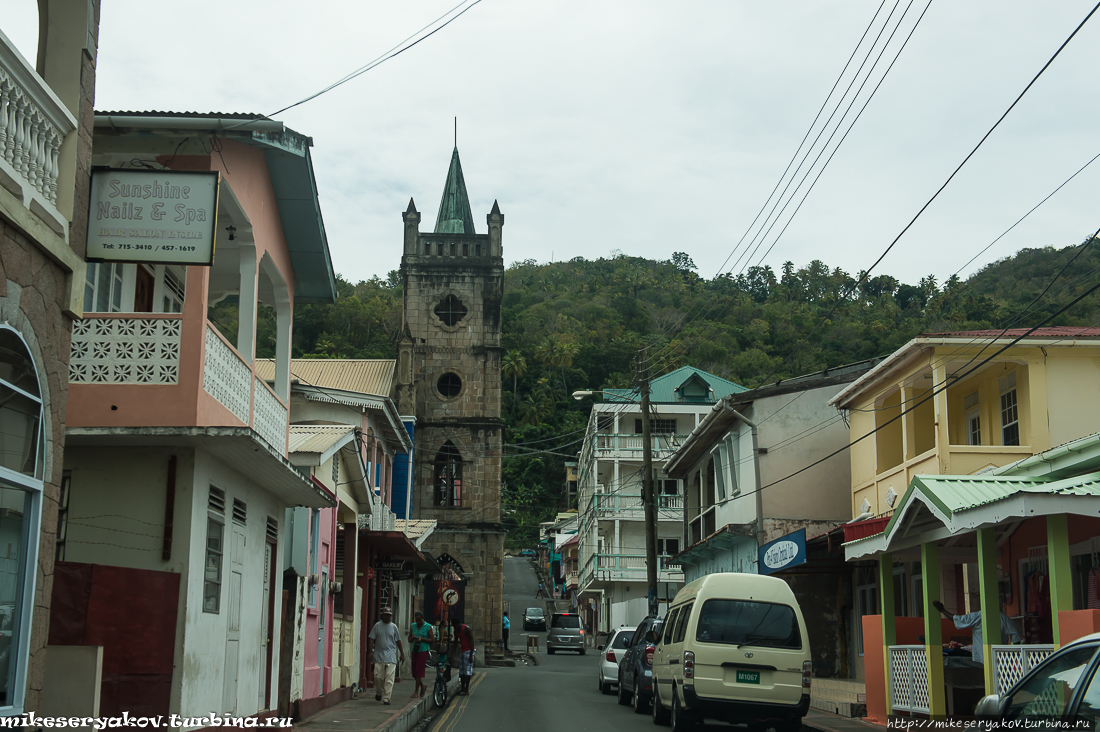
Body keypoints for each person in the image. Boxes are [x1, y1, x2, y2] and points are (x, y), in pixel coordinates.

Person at [932, 600, 1022, 665]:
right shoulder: (1004, 619)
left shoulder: (978, 616)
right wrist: (1012, 656)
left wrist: (942, 610)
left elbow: (956, 619)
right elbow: (1016, 638)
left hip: (981, 660)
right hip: (1001, 659)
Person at [367, 606, 405, 704]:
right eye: (386, 615)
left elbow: (398, 641)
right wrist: (370, 651)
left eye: (389, 615)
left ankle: (386, 698)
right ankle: (379, 692)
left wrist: (402, 653)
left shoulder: (394, 627)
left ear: (391, 616)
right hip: (379, 656)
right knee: (378, 677)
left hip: (391, 656)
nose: (387, 617)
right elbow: (371, 638)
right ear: (382, 615)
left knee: (389, 679)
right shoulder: (377, 626)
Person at [408, 610, 435, 699]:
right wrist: (413, 637)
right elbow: (409, 639)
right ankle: (422, 685)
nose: (418, 622)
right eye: (417, 620)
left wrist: (422, 639)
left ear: (423, 618)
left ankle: (416, 691)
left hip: (423, 650)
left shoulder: (428, 627)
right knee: (414, 672)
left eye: (419, 620)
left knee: (419, 671)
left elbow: (432, 640)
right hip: (414, 649)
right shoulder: (413, 626)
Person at [452, 619, 475, 696]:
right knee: (461, 670)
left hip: (469, 650)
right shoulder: (456, 631)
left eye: (455, 626)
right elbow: (455, 643)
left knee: (467, 670)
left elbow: (472, 641)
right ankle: (462, 688)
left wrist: (471, 655)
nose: (455, 628)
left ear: (458, 624)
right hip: (462, 650)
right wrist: (451, 654)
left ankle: (466, 689)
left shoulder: (466, 629)